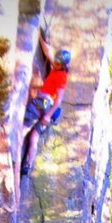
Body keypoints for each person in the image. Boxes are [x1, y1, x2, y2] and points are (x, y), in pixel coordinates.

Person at [20, 30, 71, 177]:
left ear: (62, 64)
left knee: (25, 127)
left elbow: (59, 99)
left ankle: (12, 151)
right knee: (34, 136)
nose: (54, 62)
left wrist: (47, 116)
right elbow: (48, 52)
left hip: (43, 104)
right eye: (55, 61)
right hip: (46, 106)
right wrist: (38, 35)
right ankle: (27, 165)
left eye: (57, 62)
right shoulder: (57, 69)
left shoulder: (61, 76)